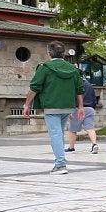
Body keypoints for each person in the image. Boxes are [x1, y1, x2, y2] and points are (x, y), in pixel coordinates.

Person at [23, 41, 85, 175]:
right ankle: (60, 161)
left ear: (49, 53)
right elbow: (79, 89)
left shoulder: (44, 67)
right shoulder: (73, 69)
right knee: (59, 134)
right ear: (63, 53)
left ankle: (60, 164)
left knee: (55, 134)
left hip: (51, 106)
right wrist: (80, 107)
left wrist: (27, 104)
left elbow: (34, 88)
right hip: (68, 106)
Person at [65, 73, 99, 154]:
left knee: (72, 129)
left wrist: (69, 109)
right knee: (90, 128)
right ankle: (94, 144)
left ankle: (71, 147)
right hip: (90, 108)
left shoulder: (74, 84)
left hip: (78, 108)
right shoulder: (89, 84)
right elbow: (94, 98)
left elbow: (71, 97)